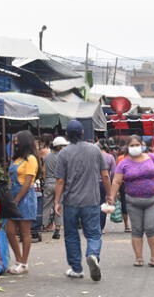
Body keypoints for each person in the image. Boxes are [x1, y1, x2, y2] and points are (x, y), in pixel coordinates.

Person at [55, 120, 110, 281]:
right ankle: (92, 254)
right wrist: (110, 195)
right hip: (91, 200)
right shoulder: (95, 150)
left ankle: (76, 268)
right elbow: (105, 175)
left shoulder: (63, 153)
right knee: (94, 233)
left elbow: (60, 181)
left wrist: (57, 201)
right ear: (83, 133)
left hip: (71, 201)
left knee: (71, 235)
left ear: (67, 135)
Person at [108, 135, 154, 268]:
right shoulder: (123, 163)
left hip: (153, 199)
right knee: (136, 229)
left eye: (137, 145)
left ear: (142, 145)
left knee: (151, 227)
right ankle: (138, 258)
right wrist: (112, 197)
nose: (135, 147)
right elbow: (117, 181)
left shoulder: (152, 158)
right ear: (127, 147)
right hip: (132, 201)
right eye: (132, 145)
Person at [5, 130, 39, 275]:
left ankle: (24, 263)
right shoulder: (17, 159)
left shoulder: (31, 159)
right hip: (13, 196)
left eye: (17, 140)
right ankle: (18, 259)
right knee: (10, 231)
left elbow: (27, 182)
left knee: (25, 232)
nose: (15, 143)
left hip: (25, 198)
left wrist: (17, 199)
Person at [42, 136, 69, 239]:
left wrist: (45, 181)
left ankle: (43, 226)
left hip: (48, 183)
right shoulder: (63, 157)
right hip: (59, 184)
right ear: (60, 147)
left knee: (46, 206)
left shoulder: (47, 156)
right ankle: (57, 230)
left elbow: (44, 171)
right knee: (59, 207)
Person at [98, 139, 116, 232]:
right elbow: (113, 173)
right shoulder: (110, 157)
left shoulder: (93, 156)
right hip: (104, 183)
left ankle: (93, 226)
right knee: (103, 203)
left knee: (93, 204)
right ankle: (101, 227)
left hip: (92, 183)